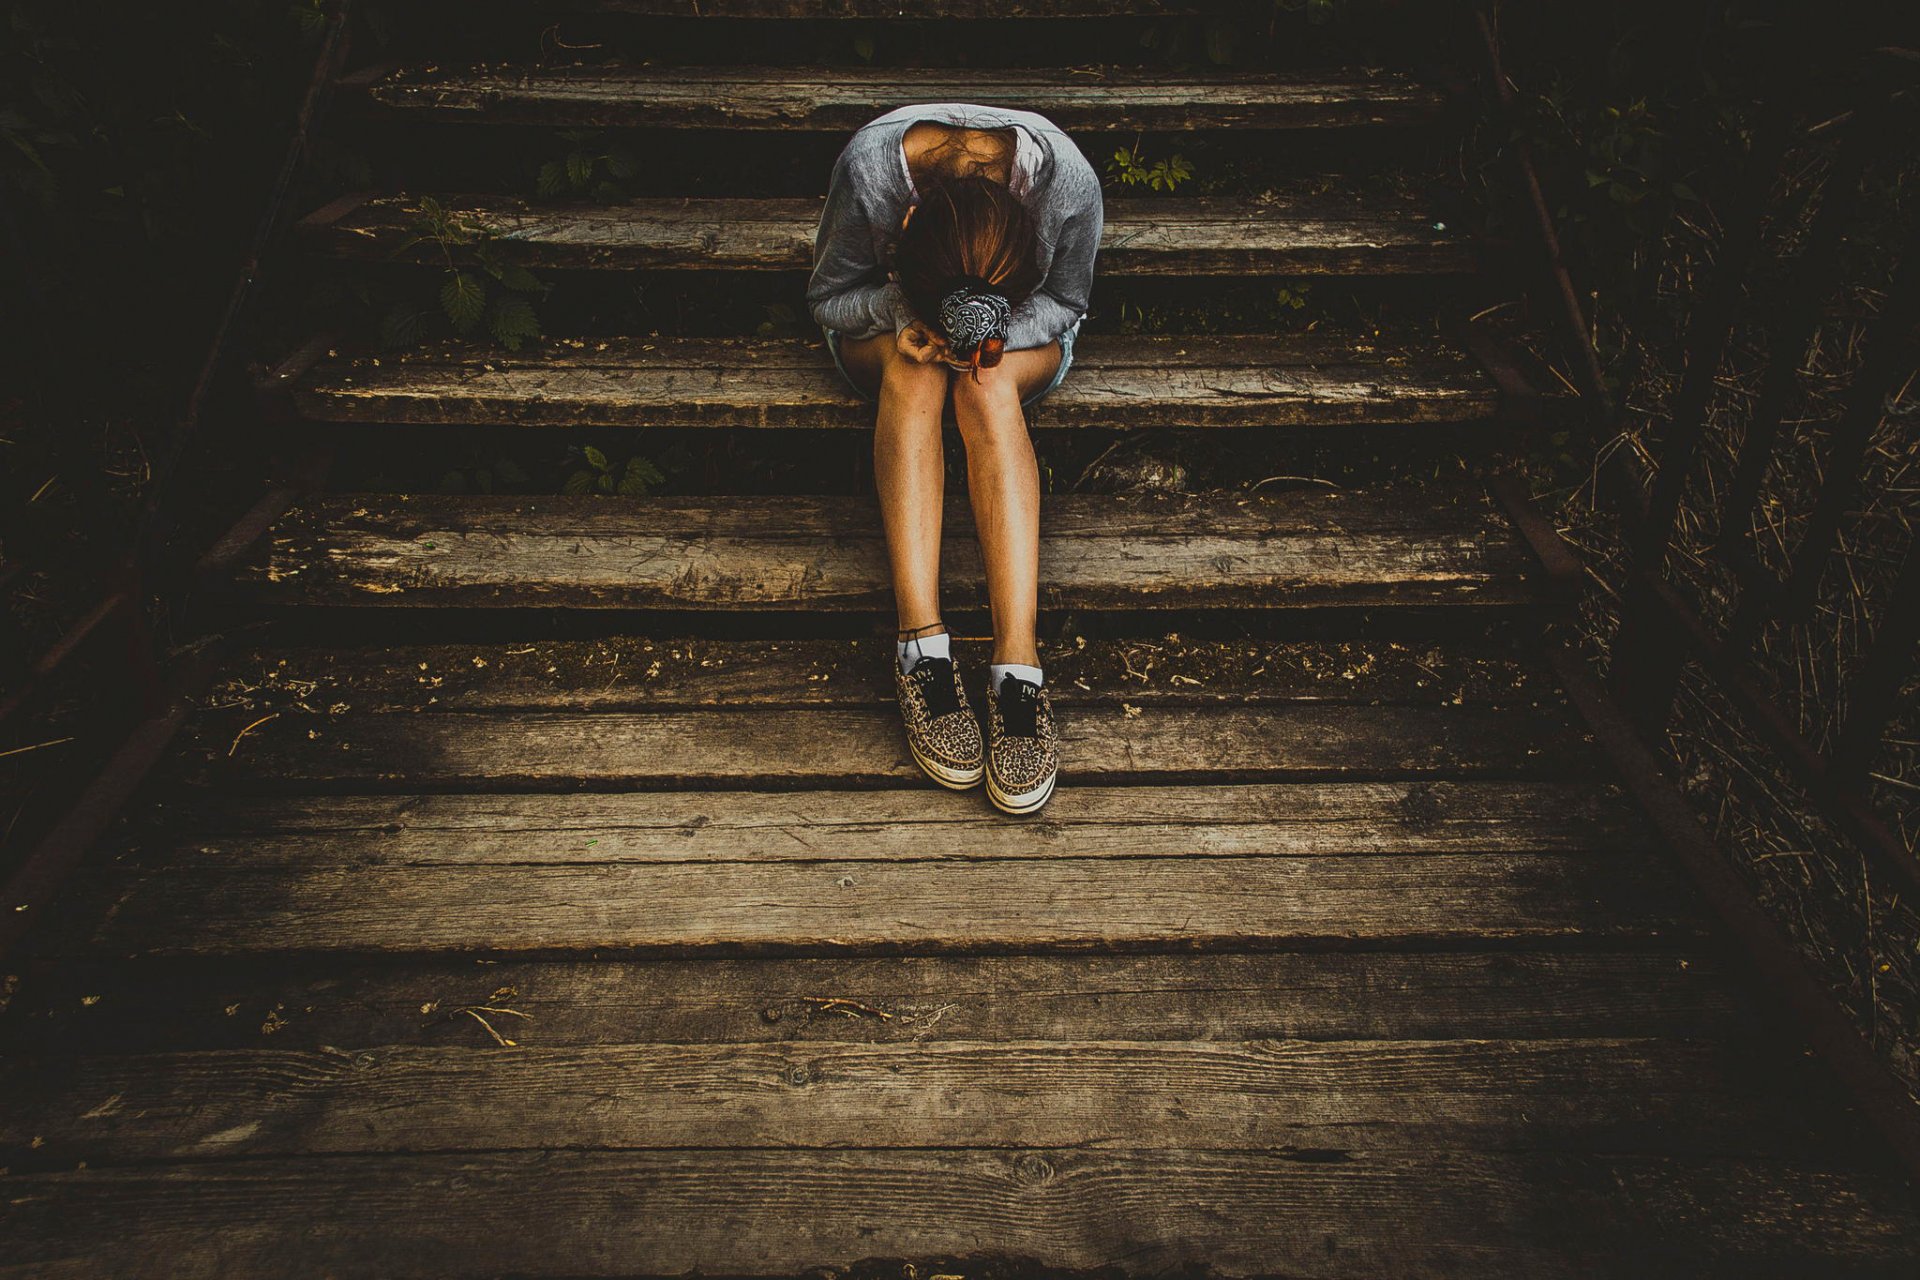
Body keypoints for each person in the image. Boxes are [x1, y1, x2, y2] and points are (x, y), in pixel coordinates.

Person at [807, 102, 1103, 816]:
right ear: (905, 230)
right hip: (890, 325)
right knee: (917, 375)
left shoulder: (1069, 186)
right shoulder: (872, 175)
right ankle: (921, 648)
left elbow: (1065, 301)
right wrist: (905, 317)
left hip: (1019, 340)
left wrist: (992, 338)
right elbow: (829, 295)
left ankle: (1018, 665)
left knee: (985, 383)